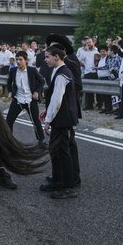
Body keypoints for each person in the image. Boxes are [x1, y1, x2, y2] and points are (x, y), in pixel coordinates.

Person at [40, 45, 79, 199]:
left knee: (62, 152)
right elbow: (54, 98)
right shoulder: (58, 71)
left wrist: (48, 120)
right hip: (60, 118)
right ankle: (57, 181)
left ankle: (68, 187)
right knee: (55, 150)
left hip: (62, 120)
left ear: (57, 57)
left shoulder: (63, 74)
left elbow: (58, 100)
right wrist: (47, 111)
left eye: (47, 56)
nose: (45, 60)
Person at [5, 51, 46, 147]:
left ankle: (41, 141)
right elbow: (8, 82)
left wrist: (36, 91)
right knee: (9, 121)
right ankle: (8, 141)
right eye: (17, 59)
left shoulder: (32, 70)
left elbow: (42, 81)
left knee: (36, 122)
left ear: (26, 61)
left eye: (20, 59)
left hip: (30, 100)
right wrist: (10, 92)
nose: (18, 62)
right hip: (18, 99)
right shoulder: (13, 70)